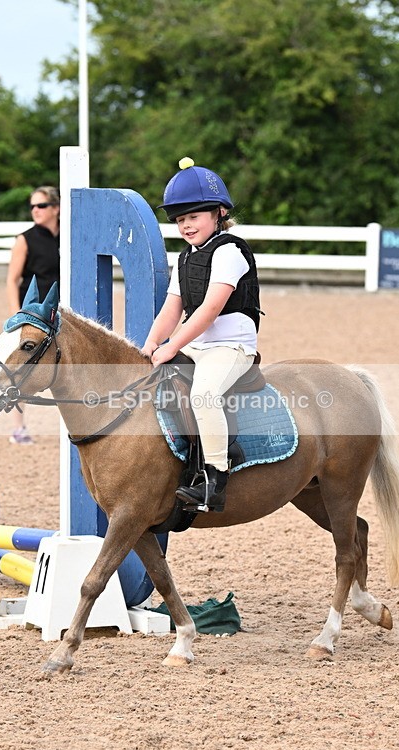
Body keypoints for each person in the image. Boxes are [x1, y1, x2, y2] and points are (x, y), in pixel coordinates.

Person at [142, 157, 261, 512]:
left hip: (231, 345)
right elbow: (171, 308)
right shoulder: (185, 258)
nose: (186, 225)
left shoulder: (230, 251)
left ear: (219, 213)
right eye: (180, 219)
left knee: (205, 395)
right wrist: (150, 343)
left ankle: (215, 479)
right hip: (198, 346)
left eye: (194, 216)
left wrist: (171, 346)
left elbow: (209, 310)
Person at [6, 185, 60, 444]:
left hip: (61, 313)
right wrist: (18, 316)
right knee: (21, 368)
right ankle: (18, 428)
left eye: (41, 205)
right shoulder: (24, 239)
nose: (35, 210)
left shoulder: (69, 238)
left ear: (56, 208)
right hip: (32, 313)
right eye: (33, 206)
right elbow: (12, 280)